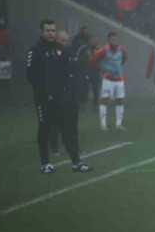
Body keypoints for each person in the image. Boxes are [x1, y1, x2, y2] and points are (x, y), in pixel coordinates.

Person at [26, 20, 90, 173]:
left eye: (53, 30)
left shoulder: (60, 49)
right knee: (44, 130)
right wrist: (46, 93)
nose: (50, 33)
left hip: (60, 98)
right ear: (41, 32)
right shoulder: (35, 51)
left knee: (65, 130)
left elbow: (68, 73)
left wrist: (66, 91)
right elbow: (31, 76)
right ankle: (45, 164)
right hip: (42, 99)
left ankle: (77, 163)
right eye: (47, 30)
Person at [56, 31, 91, 171]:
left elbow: (78, 74)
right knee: (59, 129)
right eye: (62, 40)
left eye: (66, 40)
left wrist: (80, 96)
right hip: (58, 100)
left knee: (70, 129)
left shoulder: (70, 55)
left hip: (71, 99)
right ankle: (53, 152)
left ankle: (76, 160)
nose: (65, 43)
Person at [90, 32, 128, 131]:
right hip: (108, 79)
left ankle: (118, 124)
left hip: (119, 79)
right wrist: (101, 69)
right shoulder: (103, 50)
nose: (114, 42)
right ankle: (103, 124)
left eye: (115, 39)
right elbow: (93, 59)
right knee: (104, 100)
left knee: (119, 100)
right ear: (108, 40)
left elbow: (124, 58)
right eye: (112, 40)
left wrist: (118, 68)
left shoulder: (122, 49)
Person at [75, 34, 100, 110]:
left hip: (95, 72)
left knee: (96, 89)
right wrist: (86, 62)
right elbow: (78, 59)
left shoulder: (99, 49)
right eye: (92, 40)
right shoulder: (83, 49)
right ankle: (82, 104)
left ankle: (95, 106)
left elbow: (102, 60)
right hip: (85, 72)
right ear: (89, 41)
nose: (93, 42)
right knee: (85, 88)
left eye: (95, 41)